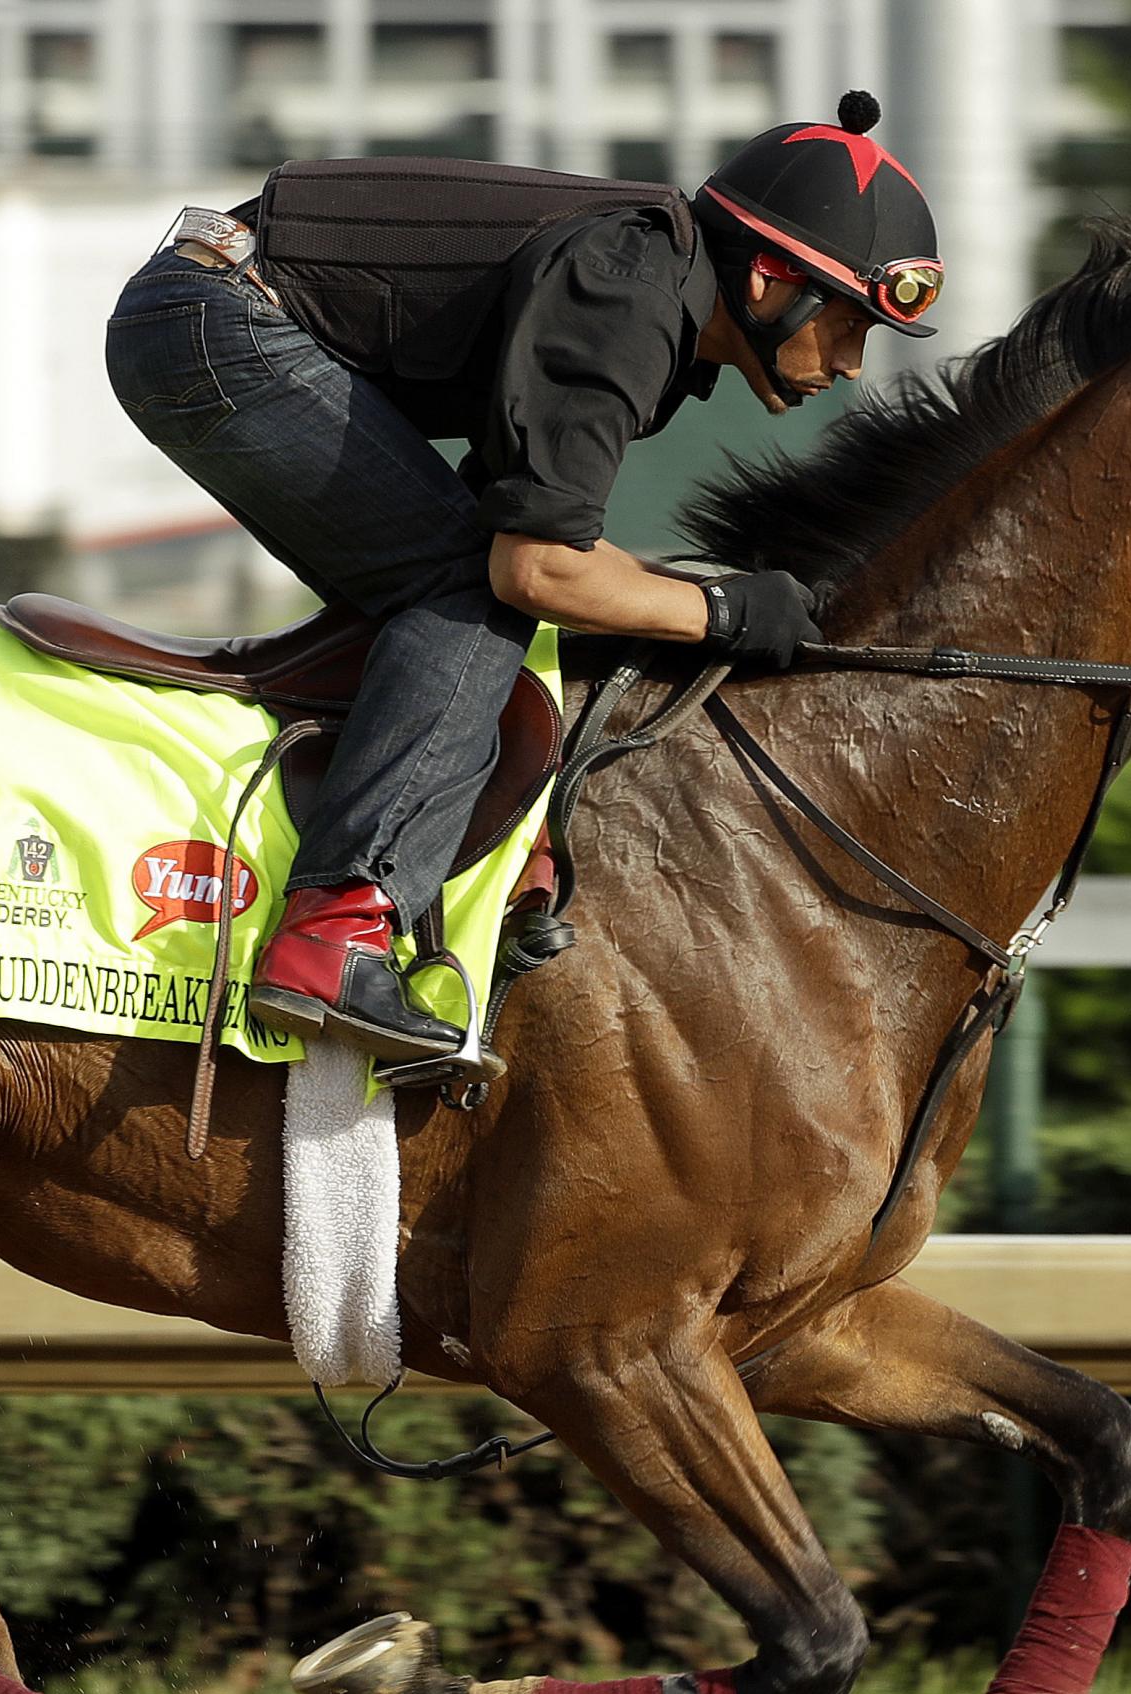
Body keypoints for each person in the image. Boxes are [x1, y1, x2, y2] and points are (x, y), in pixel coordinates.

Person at [104, 91, 945, 1063]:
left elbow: (535, 542)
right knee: (465, 587)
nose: (849, 365)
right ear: (766, 278)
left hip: (214, 306)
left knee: (466, 575)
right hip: (214, 318)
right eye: (846, 324)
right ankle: (333, 933)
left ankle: (448, 854)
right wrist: (722, 607)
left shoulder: (654, 302)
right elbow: (535, 567)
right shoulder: (627, 298)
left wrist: (693, 600)